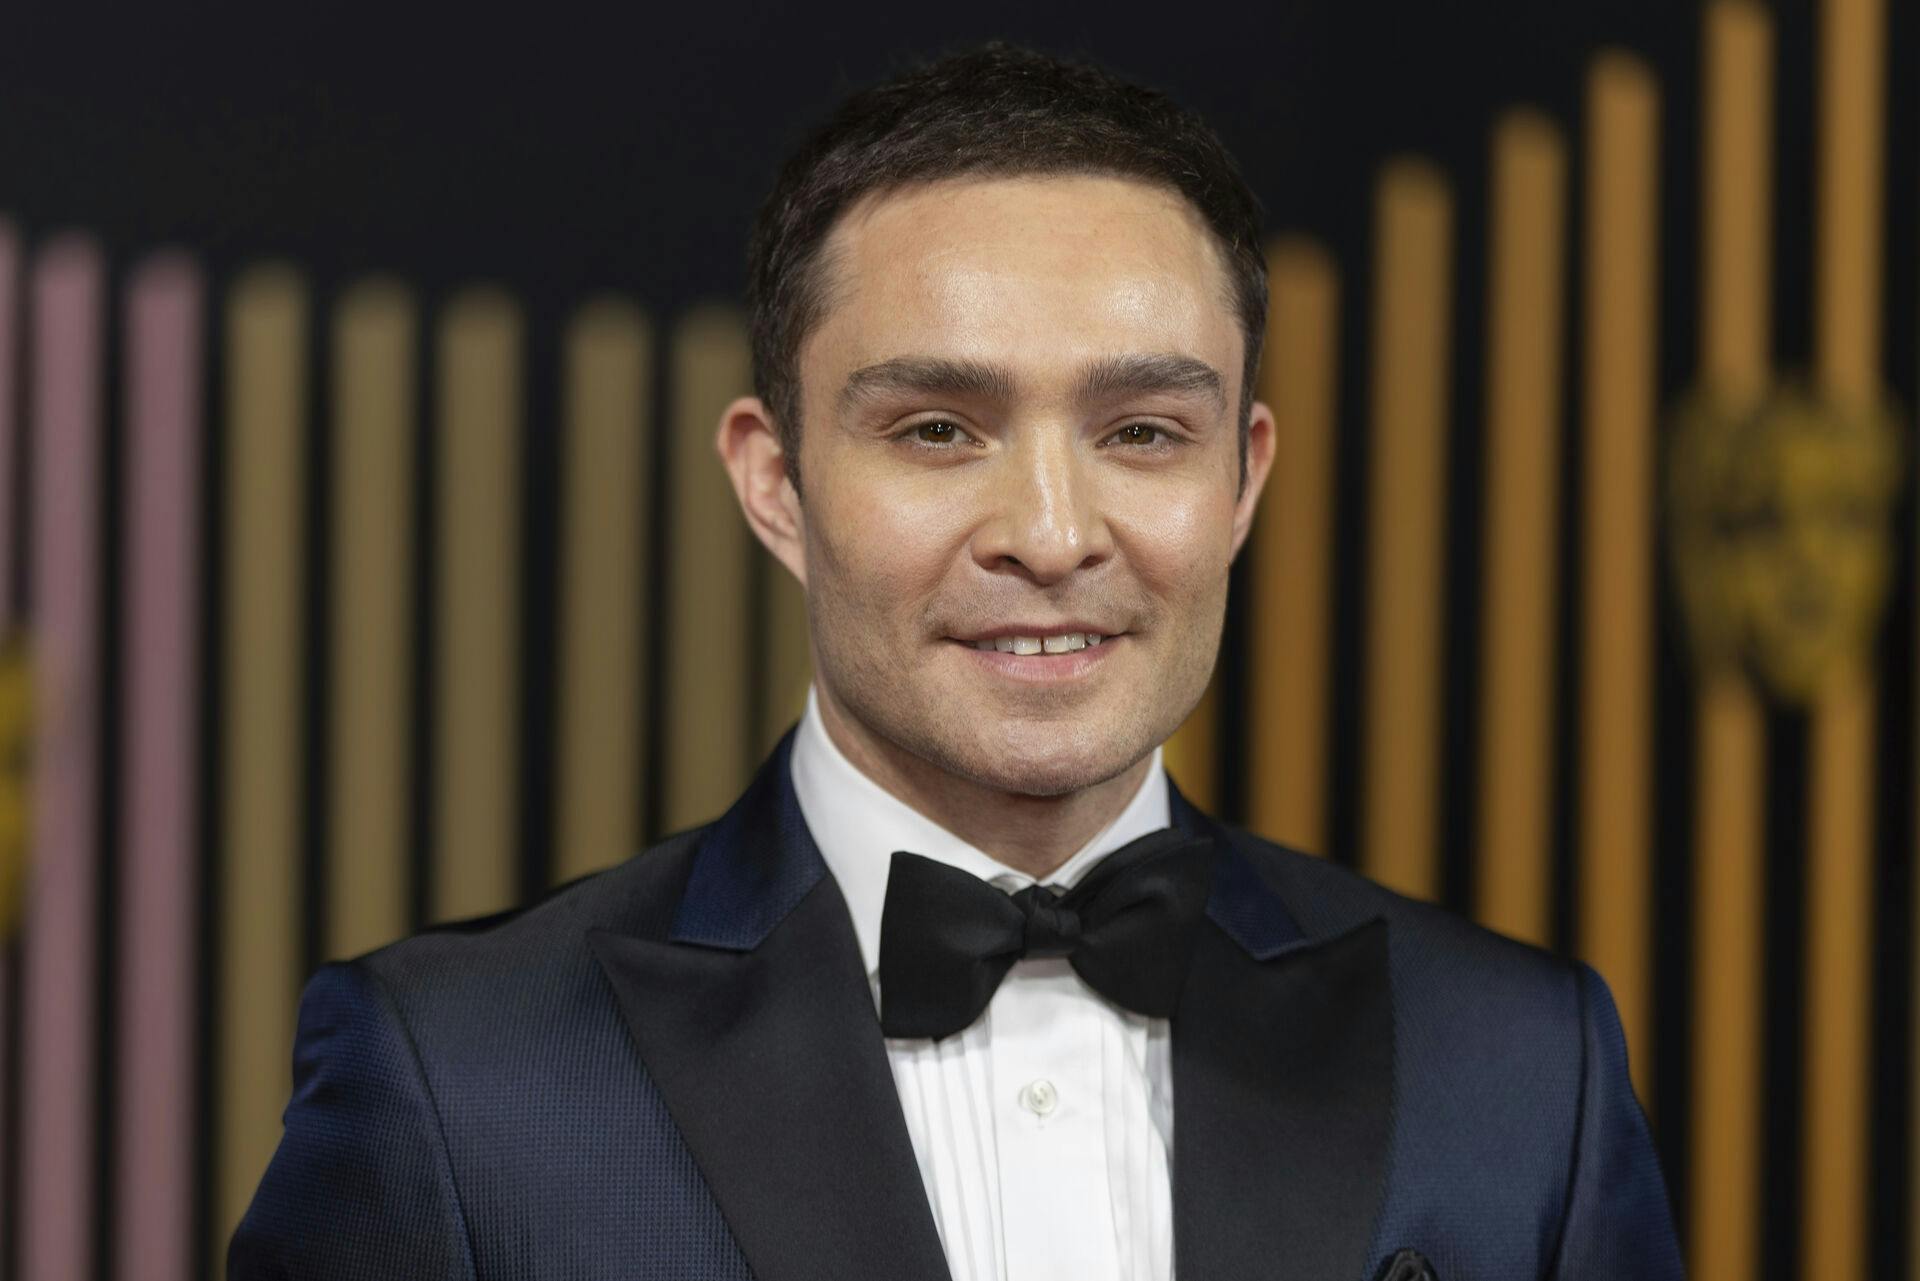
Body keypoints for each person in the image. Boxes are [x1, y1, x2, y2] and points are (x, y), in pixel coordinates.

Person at [231, 42, 1683, 1281]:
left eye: (1142, 432)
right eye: (937, 429)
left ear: (1242, 481)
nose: (1052, 534)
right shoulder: (454, 1080)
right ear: (777, 481)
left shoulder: (1519, 1071)